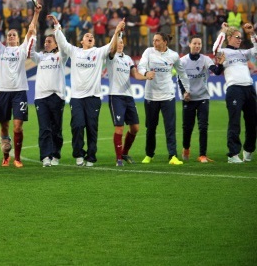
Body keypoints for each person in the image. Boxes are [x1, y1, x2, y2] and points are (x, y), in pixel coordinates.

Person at [54, 14, 125, 166]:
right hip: (77, 97)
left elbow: (112, 47)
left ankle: (91, 157)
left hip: (93, 97)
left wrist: (117, 31)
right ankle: (79, 154)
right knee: (77, 126)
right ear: (81, 41)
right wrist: (57, 28)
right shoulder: (75, 52)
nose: (90, 37)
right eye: (87, 35)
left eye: (91, 36)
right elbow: (63, 43)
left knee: (92, 128)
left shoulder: (98, 52)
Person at [0, 3, 40, 168]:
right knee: (4, 126)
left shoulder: (22, 49)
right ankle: (5, 156)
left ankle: (17, 158)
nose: (10, 37)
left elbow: (31, 30)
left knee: (17, 126)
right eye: (9, 35)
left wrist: (36, 13)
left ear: (18, 38)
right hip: (2, 91)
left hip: (19, 92)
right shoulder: (1, 50)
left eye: (13, 35)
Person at [137, 32, 190, 165]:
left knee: (170, 127)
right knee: (151, 127)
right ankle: (149, 154)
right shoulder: (149, 52)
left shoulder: (173, 55)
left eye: (157, 40)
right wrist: (146, 73)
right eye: (154, 40)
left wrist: (187, 89)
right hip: (151, 96)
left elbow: (182, 73)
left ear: (165, 42)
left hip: (168, 96)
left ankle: (172, 156)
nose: (154, 43)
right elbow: (140, 66)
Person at [212, 22, 257, 163]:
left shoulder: (243, 53)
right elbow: (216, 48)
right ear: (229, 37)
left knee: (253, 121)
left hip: (249, 88)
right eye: (237, 37)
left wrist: (252, 34)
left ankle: (248, 150)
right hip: (235, 89)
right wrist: (223, 31)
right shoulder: (224, 52)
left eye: (241, 38)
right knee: (235, 122)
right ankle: (233, 154)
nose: (239, 40)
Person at [29, 16, 69, 167]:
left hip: (56, 96)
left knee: (56, 129)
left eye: (49, 41)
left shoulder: (61, 56)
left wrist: (57, 27)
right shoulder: (40, 57)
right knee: (44, 128)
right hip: (41, 98)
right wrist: (32, 34)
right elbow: (31, 52)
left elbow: (64, 45)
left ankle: (56, 155)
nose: (46, 43)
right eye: (45, 41)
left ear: (56, 44)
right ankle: (46, 156)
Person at [178, 35, 225, 163]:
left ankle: (202, 155)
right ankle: (186, 148)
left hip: (203, 97)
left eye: (199, 44)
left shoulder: (205, 59)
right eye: (195, 43)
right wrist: (184, 93)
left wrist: (220, 65)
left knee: (203, 127)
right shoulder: (182, 61)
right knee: (187, 127)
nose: (197, 46)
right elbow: (180, 79)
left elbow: (216, 71)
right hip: (188, 99)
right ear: (189, 44)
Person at [107, 35, 147, 166]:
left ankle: (124, 152)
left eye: (122, 42)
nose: (120, 44)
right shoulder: (111, 56)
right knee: (119, 128)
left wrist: (147, 76)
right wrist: (118, 32)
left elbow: (135, 74)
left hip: (128, 96)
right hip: (116, 96)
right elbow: (112, 49)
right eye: (117, 42)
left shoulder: (128, 59)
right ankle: (118, 158)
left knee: (135, 128)